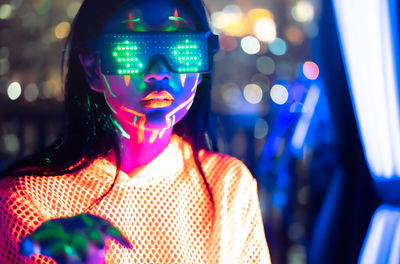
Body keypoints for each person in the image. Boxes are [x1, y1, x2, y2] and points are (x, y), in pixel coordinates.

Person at [0, 0, 271, 263]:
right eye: (129, 51)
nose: (158, 72)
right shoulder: (30, 200)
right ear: (92, 68)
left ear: (202, 66)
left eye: (182, 50)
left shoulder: (228, 187)